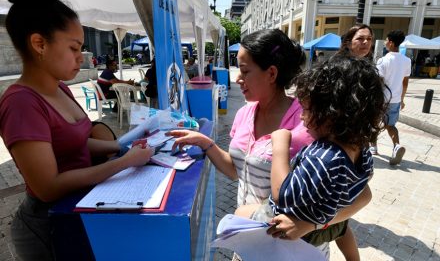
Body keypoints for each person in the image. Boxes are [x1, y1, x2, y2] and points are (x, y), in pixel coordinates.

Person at [167, 29, 372, 260]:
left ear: (271, 73)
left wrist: (309, 225)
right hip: (249, 241)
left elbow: (359, 195)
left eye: (244, 71)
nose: (237, 79)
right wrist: (206, 144)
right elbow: (237, 170)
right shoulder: (244, 113)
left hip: (294, 251)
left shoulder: (312, 121)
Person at [0, 0, 153, 260]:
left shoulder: (60, 88)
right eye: (74, 48)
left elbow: (76, 142)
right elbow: (47, 187)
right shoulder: (21, 103)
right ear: (40, 44)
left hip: (79, 209)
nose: (81, 57)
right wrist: (124, 162)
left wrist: (121, 146)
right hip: (48, 227)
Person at [236, 55, 388, 261]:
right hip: (326, 225)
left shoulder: (323, 157)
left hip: (288, 223)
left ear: (332, 114)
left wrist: (280, 145)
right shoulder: (361, 150)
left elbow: (282, 194)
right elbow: (362, 189)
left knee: (240, 214)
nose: (301, 116)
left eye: (306, 109)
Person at [370, 30, 411, 165]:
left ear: (391, 43)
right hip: (396, 100)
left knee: (374, 123)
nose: (386, 42)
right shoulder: (406, 60)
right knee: (391, 125)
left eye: (387, 40)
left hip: (382, 99)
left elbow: (379, 82)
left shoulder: (383, 60)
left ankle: (373, 147)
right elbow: (405, 83)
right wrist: (402, 99)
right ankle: (396, 146)